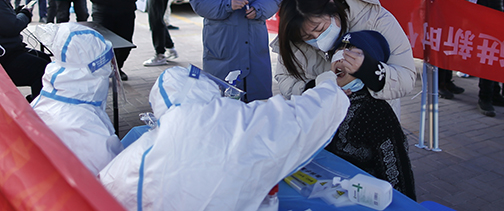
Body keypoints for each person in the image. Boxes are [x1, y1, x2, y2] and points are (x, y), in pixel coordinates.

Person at [99, 65, 349, 211]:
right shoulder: (236, 122)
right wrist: (329, 85)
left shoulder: (134, 155)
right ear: (207, 89)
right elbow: (300, 117)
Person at [273, 0, 416, 118]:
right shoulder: (295, 32)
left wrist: (369, 69)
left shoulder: (375, 20)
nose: (317, 38)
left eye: (320, 28)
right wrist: (313, 88)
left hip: (374, 124)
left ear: (333, 7)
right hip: (322, 124)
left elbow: (406, 78)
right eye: (307, 37)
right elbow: (285, 78)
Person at [326, 30, 416, 200]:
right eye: (338, 53)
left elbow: (396, 170)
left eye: (352, 57)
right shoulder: (323, 96)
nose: (342, 60)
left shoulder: (376, 110)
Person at [31, 23, 123, 175]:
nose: (111, 70)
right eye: (108, 65)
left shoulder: (51, 96)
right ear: (97, 69)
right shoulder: (84, 127)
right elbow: (113, 178)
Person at [0, 0, 50, 102]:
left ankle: (37, 102)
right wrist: (25, 14)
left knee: (44, 58)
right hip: (6, 56)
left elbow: (6, 22)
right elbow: (13, 27)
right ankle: (39, 108)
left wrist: (16, 14)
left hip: (9, 50)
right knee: (43, 69)